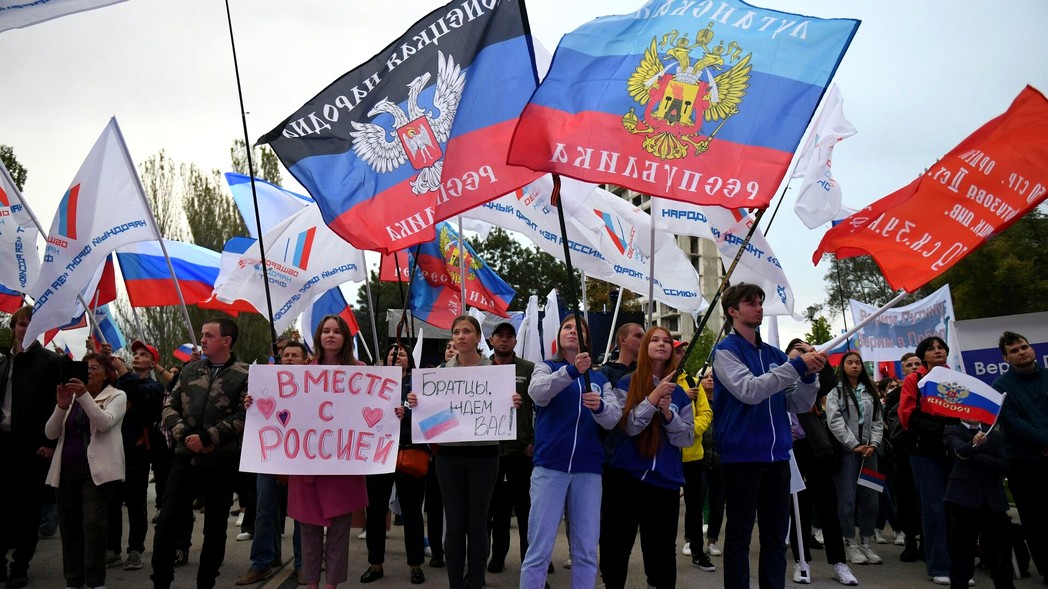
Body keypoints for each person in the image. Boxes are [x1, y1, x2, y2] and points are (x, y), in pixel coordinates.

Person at [711, 283, 824, 589]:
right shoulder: (725, 351)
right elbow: (750, 390)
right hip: (742, 457)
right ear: (733, 311)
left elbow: (797, 403)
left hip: (778, 457)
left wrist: (809, 378)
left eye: (760, 302)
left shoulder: (775, 354)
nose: (759, 308)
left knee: (775, 538)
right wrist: (796, 366)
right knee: (740, 536)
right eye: (751, 303)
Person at [408, 315, 521, 589]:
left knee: (478, 524)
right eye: (456, 332)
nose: (461, 336)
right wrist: (416, 401)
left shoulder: (496, 373)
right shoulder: (439, 374)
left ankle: (476, 581)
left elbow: (503, 408)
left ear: (478, 337)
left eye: (467, 331)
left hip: (485, 457)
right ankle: (455, 583)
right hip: (449, 458)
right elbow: (432, 417)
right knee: (456, 524)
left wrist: (512, 401)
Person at [520, 314, 620, 589]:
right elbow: (537, 393)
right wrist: (571, 371)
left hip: (588, 470)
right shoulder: (547, 367)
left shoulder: (599, 378)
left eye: (579, 329)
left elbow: (613, 418)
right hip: (550, 466)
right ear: (559, 336)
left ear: (587, 339)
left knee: (586, 550)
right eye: (567, 327)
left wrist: (600, 407)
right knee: (539, 549)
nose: (573, 332)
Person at [150, 317, 248, 589]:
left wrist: (208, 438)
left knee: (215, 528)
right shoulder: (189, 370)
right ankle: (160, 581)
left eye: (209, 335)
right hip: (185, 459)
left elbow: (245, 414)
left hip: (222, 462)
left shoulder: (245, 374)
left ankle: (206, 583)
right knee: (167, 521)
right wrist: (186, 436)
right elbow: (169, 407)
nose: (202, 340)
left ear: (227, 341)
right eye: (202, 334)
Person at [600, 326, 695, 589]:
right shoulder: (626, 383)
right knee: (616, 547)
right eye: (654, 340)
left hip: (664, 482)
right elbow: (628, 427)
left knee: (661, 553)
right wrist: (652, 399)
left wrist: (668, 414)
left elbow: (685, 438)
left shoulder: (679, 392)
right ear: (645, 348)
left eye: (667, 341)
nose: (662, 344)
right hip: (625, 479)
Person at [289, 315, 368, 589]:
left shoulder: (361, 371)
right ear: (318, 337)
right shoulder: (302, 373)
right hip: (308, 464)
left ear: (345, 337)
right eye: (326, 331)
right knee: (308, 530)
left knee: (339, 533)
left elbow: (373, 410)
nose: (331, 335)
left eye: (336, 331)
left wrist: (393, 411)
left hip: (342, 465)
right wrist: (256, 401)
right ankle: (311, 584)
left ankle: (332, 585)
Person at [45, 351, 127, 589]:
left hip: (97, 473)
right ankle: (73, 580)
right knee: (69, 527)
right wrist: (61, 406)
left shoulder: (117, 395)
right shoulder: (71, 398)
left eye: (94, 369)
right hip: (67, 470)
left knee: (93, 526)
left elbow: (104, 422)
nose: (89, 373)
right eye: (85, 368)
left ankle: (95, 581)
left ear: (107, 374)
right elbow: (50, 433)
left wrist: (83, 396)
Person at [0, 305, 66, 588]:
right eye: (21, 324)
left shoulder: (50, 362)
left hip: (32, 446)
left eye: (31, 324)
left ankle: (20, 566)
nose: (25, 329)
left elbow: (58, 406)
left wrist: (50, 443)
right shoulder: (4, 362)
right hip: (3, 443)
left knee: (28, 510)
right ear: (14, 327)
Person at [236, 340, 308, 586]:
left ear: (306, 360)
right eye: (285, 355)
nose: (289, 359)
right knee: (264, 511)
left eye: (295, 355)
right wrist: (250, 404)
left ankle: (303, 564)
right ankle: (261, 563)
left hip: (302, 459)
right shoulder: (266, 384)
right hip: (269, 456)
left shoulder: (315, 387)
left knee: (301, 514)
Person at [360, 344, 427, 585]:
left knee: (412, 512)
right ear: (385, 359)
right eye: (392, 353)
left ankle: (416, 565)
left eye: (402, 353)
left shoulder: (420, 384)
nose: (396, 356)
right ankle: (375, 563)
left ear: (409, 359)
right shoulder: (372, 383)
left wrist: (413, 409)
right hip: (378, 454)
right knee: (375, 510)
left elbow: (433, 414)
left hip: (409, 452)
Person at [898, 336, 958, 585]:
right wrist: (942, 429)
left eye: (941, 347)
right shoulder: (915, 380)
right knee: (933, 508)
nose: (938, 351)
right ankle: (939, 566)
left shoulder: (955, 378)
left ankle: (960, 566)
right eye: (932, 349)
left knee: (955, 509)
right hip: (925, 452)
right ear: (923, 356)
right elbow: (907, 416)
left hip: (954, 451)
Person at [992, 331, 1048, 584]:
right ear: (1006, 358)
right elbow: (1013, 422)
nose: (1021, 352)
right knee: (1035, 519)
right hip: (1023, 462)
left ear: (1032, 349)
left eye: (1024, 347)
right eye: (1014, 350)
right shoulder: (1001, 387)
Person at [106, 340, 164, 572]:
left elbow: (137, 394)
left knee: (135, 504)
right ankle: (112, 549)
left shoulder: (154, 387)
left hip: (137, 451)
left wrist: (123, 370)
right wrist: (102, 357)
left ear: (152, 363)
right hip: (113, 449)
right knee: (111, 502)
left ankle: (135, 549)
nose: (137, 356)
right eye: (136, 354)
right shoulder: (118, 383)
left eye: (144, 355)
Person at [486, 322, 536, 574]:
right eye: (500, 336)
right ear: (491, 340)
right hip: (490, 451)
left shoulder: (529, 369)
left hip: (522, 451)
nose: (504, 340)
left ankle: (532, 559)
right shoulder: (480, 369)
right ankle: (497, 556)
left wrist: (534, 440)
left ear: (515, 341)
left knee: (527, 510)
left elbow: (541, 407)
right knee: (497, 510)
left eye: (509, 336)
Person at [826, 351, 884, 566]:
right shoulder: (836, 391)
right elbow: (834, 421)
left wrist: (874, 444)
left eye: (858, 362)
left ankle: (866, 542)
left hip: (870, 452)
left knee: (871, 499)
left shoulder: (870, 391)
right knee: (847, 499)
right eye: (849, 362)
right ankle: (850, 543)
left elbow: (878, 420)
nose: (854, 366)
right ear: (842, 366)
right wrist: (853, 444)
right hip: (847, 451)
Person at [943, 420, 1014, 589]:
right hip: (963, 500)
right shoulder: (953, 430)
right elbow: (959, 449)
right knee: (962, 553)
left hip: (993, 501)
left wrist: (973, 457)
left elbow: (1004, 465)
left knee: (1000, 553)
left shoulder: (994, 434)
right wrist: (974, 444)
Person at [886, 352, 922, 561]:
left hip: (928, 451)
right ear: (903, 369)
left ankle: (927, 541)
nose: (914, 367)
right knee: (906, 499)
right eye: (910, 364)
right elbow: (893, 424)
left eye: (918, 363)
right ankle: (910, 540)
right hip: (904, 453)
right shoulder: (894, 396)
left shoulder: (932, 389)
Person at [679, 368, 714, 572]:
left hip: (693, 455)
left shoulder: (693, 381)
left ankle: (698, 552)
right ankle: (664, 554)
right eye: (676, 352)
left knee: (695, 506)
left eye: (681, 352)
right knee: (663, 509)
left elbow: (706, 413)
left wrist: (690, 430)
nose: (679, 354)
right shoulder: (658, 379)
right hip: (667, 456)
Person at [599, 322, 643, 387]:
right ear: (623, 340)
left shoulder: (647, 369)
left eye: (645, 337)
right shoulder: (605, 372)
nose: (644, 340)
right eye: (638, 336)